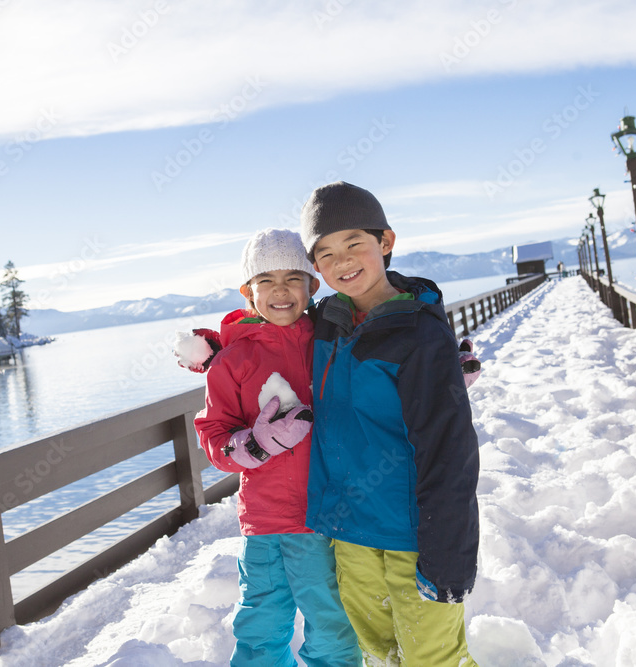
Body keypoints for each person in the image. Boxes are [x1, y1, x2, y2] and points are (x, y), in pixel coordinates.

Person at [299, 181, 481, 666]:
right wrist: (215, 347)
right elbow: (267, 325)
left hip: (412, 538)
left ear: (385, 242)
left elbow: (449, 450)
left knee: (433, 659)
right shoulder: (326, 324)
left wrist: (448, 555)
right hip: (351, 533)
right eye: (325, 253)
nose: (342, 261)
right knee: (379, 655)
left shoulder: (419, 333)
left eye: (354, 243)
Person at [183, 228, 362, 667]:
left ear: (312, 286)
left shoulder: (331, 340)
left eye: (292, 278)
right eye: (266, 281)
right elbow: (214, 435)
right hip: (264, 520)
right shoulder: (232, 361)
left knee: (331, 623)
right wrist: (256, 445)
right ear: (248, 291)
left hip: (322, 515)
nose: (280, 291)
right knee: (262, 623)